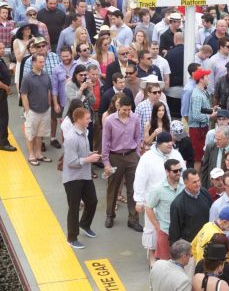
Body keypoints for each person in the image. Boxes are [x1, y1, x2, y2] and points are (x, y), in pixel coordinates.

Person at [135, 132, 185, 265]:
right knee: (152, 228)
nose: (170, 144)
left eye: (171, 141)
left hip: (173, 198)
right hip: (152, 198)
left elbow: (183, 173)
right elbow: (140, 178)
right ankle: (152, 255)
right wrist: (138, 199)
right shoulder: (147, 157)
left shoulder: (176, 154)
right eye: (166, 142)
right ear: (158, 144)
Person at [101, 95, 143, 231]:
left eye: (129, 110)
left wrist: (137, 154)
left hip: (131, 156)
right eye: (125, 110)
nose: (127, 112)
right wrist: (106, 162)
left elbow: (138, 137)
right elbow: (105, 143)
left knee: (133, 189)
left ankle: (133, 218)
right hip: (115, 157)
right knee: (113, 187)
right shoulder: (109, 121)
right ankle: (110, 215)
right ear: (118, 107)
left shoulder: (135, 118)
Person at [62, 107, 102, 249]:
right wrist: (89, 159)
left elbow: (82, 153)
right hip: (72, 179)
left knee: (92, 201)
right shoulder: (71, 138)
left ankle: (84, 224)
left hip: (84, 175)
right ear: (78, 119)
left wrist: (91, 153)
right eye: (87, 118)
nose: (90, 120)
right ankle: (72, 238)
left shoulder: (85, 132)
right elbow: (71, 162)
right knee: (73, 208)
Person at [146, 159, 185, 261]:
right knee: (165, 262)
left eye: (180, 170)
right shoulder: (158, 189)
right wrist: (158, 227)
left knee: (182, 261)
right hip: (166, 231)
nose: (179, 173)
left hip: (183, 232)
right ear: (167, 172)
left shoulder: (184, 186)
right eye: (175, 171)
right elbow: (149, 208)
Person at [20, 54, 53, 165]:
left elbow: (49, 90)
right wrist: (27, 111)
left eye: (43, 62)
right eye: (40, 62)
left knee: (40, 134)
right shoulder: (27, 78)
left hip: (45, 110)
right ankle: (31, 155)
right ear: (33, 63)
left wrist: (49, 105)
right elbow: (24, 95)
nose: (42, 64)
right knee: (30, 134)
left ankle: (38, 154)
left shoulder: (46, 75)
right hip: (33, 111)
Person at [169, 169, 213, 244]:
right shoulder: (178, 204)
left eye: (198, 180)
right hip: (190, 245)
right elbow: (174, 230)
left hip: (207, 240)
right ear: (185, 183)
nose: (198, 184)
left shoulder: (204, 193)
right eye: (194, 182)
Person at [189, 68, 218, 170]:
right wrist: (211, 116)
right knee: (198, 158)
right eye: (206, 76)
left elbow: (201, 110)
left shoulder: (202, 92)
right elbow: (196, 115)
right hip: (198, 130)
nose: (208, 78)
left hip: (201, 129)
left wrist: (211, 110)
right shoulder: (197, 95)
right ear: (201, 79)